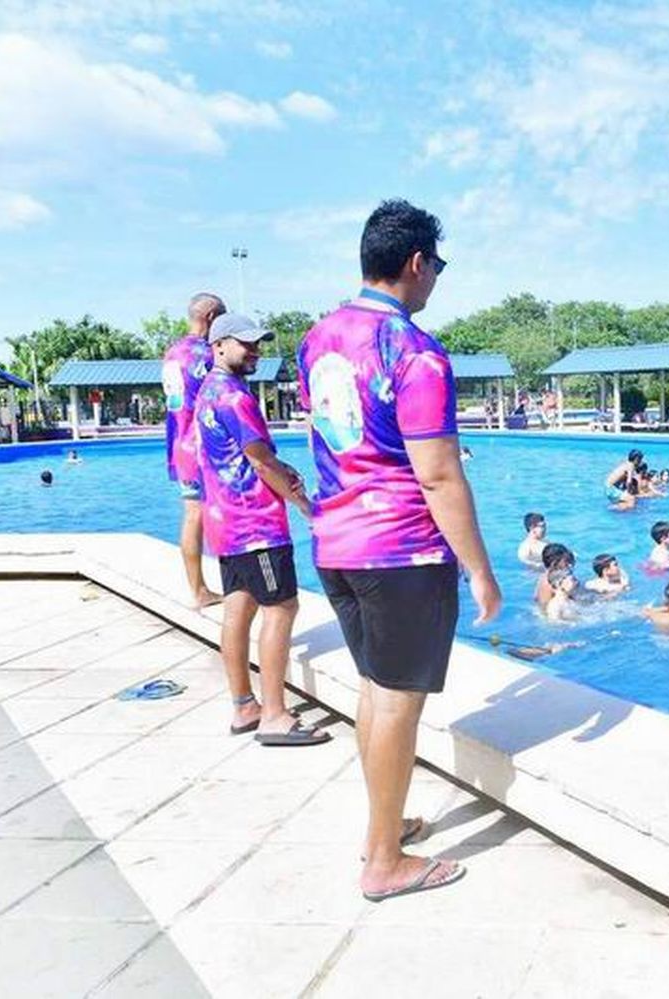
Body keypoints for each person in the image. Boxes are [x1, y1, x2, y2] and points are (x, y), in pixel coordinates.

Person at [298, 199, 498, 901]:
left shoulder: (319, 337)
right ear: (416, 264)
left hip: (335, 544)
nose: (437, 278)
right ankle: (383, 861)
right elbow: (438, 473)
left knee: (375, 695)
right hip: (400, 551)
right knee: (396, 703)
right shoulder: (414, 350)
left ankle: (381, 829)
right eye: (437, 265)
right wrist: (479, 568)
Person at [196, 313, 326, 748]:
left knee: (238, 609)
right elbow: (259, 461)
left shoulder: (207, 392)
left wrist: (280, 466)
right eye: (245, 344)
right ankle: (274, 714)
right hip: (256, 525)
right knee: (281, 608)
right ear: (218, 346)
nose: (255, 351)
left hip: (225, 521)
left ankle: (243, 705)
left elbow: (242, 454)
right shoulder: (234, 397)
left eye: (258, 344)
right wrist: (305, 506)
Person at [162, 291, 226, 608]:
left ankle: (197, 587)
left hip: (179, 444)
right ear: (212, 317)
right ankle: (211, 588)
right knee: (209, 514)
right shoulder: (208, 355)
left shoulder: (173, 352)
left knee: (191, 515)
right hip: (204, 446)